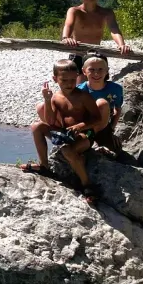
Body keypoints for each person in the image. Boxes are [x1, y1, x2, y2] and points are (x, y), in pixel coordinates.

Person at [23, 59, 105, 203]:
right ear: (55, 79)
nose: (69, 84)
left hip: (84, 135)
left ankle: (87, 184)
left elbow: (97, 119)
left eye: (73, 80)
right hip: (64, 133)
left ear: (79, 77)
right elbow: (49, 121)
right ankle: (44, 165)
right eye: (64, 80)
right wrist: (48, 101)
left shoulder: (83, 96)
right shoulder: (56, 97)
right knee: (37, 126)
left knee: (67, 150)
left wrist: (80, 126)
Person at [61, 0, 131, 82]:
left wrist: (121, 45)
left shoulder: (106, 13)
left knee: (100, 87)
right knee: (79, 89)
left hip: (97, 53)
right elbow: (68, 25)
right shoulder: (74, 11)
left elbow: (114, 29)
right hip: (78, 53)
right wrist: (66, 38)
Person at [78, 55, 124, 154]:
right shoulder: (79, 90)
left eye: (100, 69)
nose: (96, 73)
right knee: (82, 150)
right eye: (91, 69)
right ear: (84, 71)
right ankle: (90, 141)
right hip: (87, 126)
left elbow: (118, 109)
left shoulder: (116, 89)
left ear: (107, 70)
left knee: (114, 152)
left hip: (104, 126)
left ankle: (98, 140)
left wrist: (111, 129)